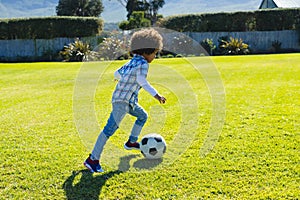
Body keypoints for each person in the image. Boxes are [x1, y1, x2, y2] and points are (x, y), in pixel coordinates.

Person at [84, 28, 166, 173]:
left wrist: (123, 81)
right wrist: (157, 95)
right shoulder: (143, 64)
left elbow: (117, 73)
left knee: (142, 116)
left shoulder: (133, 61)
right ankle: (92, 160)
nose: (155, 56)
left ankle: (131, 142)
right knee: (109, 130)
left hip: (128, 101)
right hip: (122, 102)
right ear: (147, 51)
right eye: (155, 53)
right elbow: (142, 81)